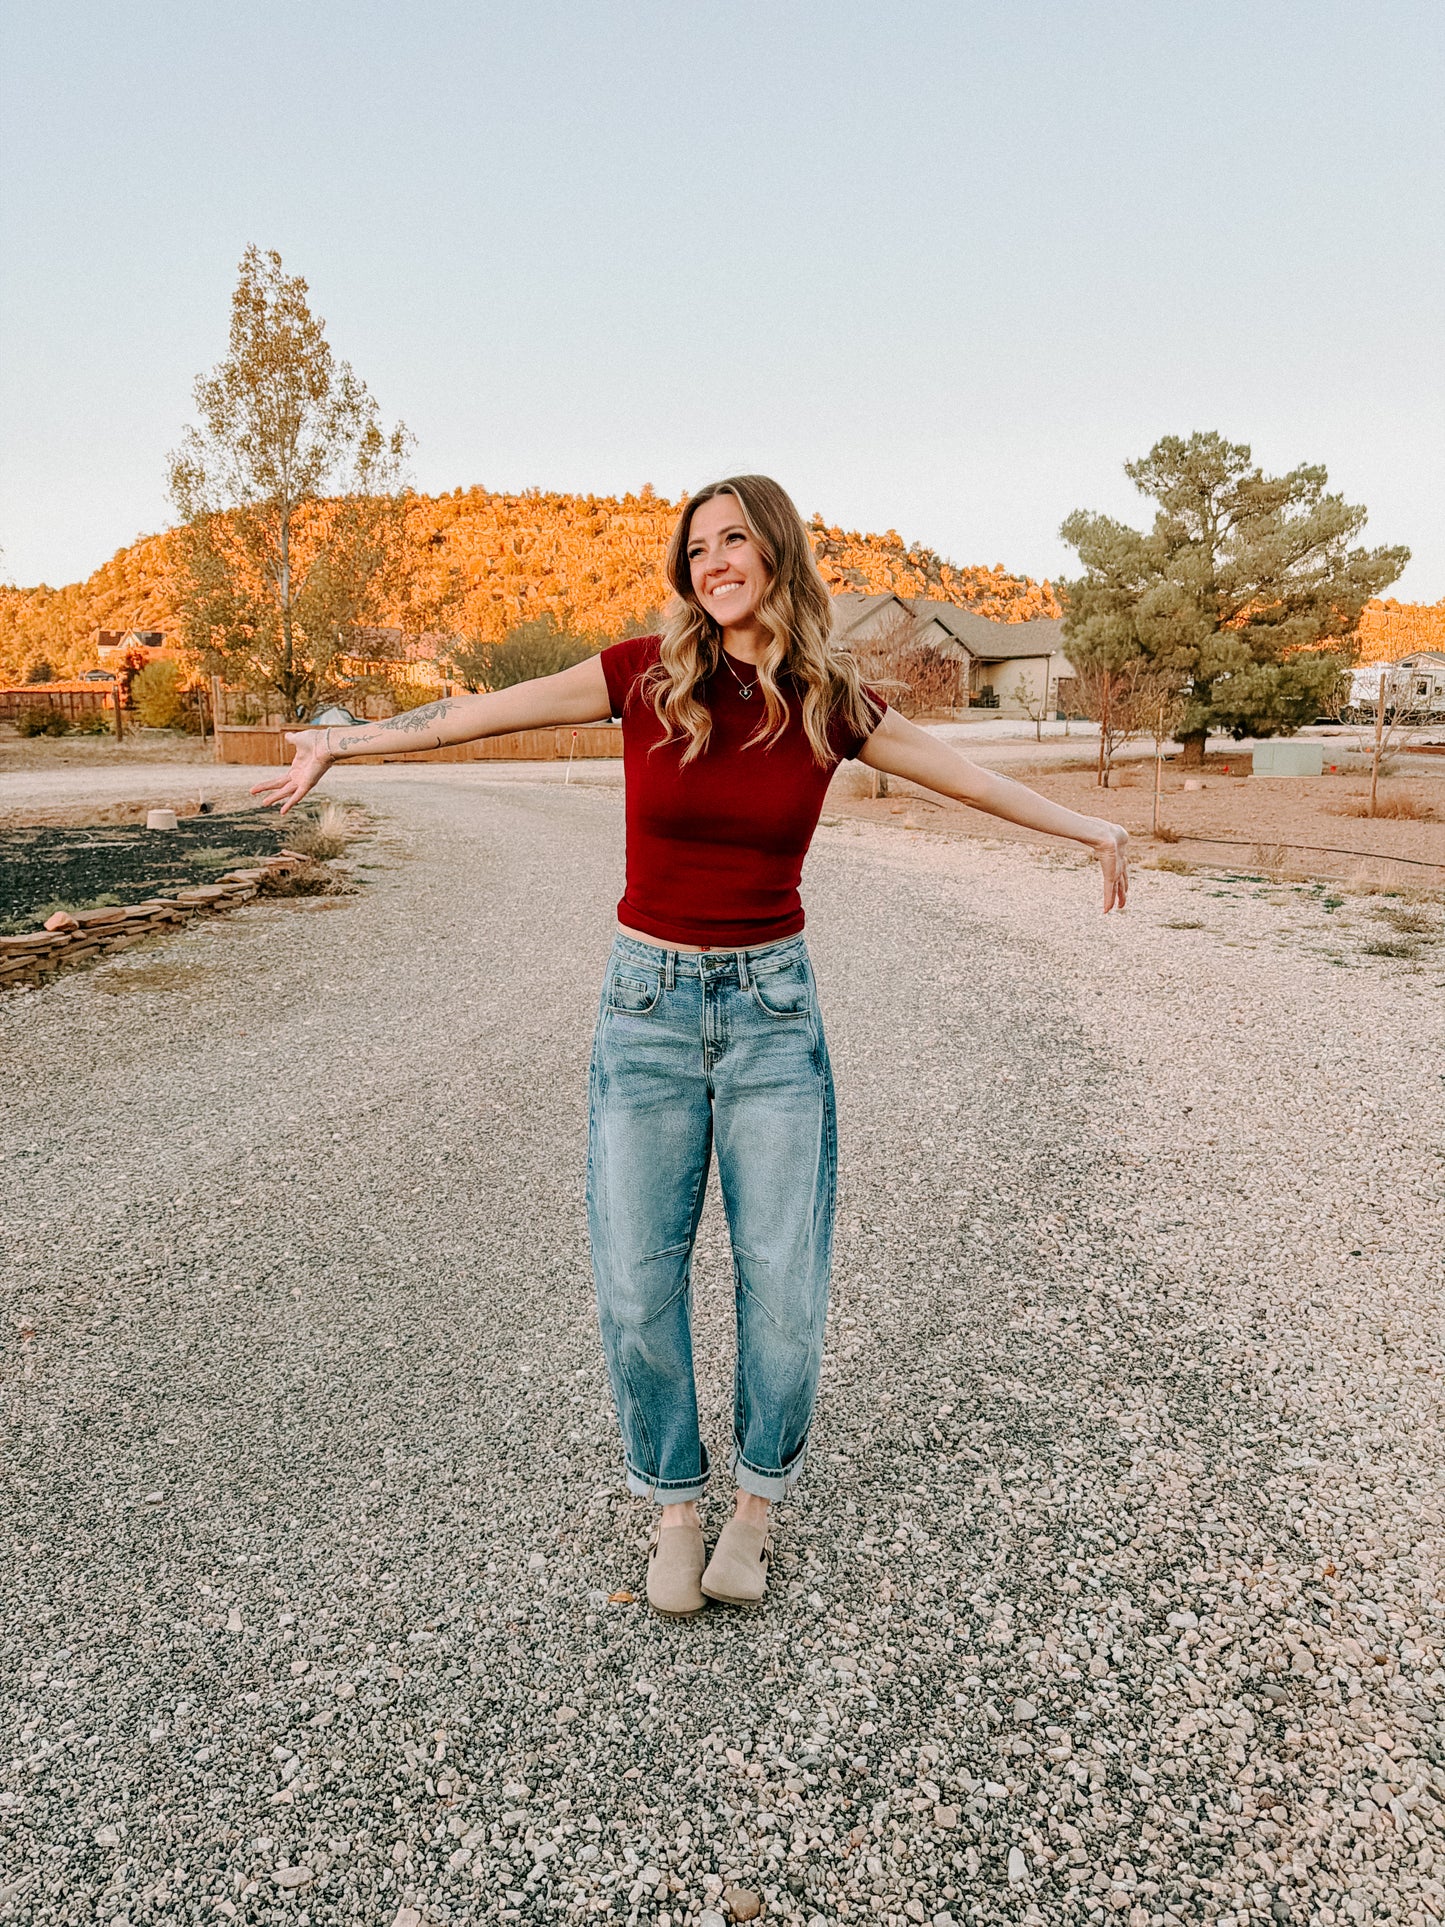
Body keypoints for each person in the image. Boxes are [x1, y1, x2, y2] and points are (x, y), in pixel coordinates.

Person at [255, 475, 1128, 1617]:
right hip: (645, 1006)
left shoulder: (829, 699)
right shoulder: (641, 676)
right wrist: (345, 742)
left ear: (776, 555)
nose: (713, 560)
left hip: (771, 1016)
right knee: (632, 1278)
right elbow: (479, 709)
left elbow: (964, 775)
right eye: (697, 545)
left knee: (781, 1283)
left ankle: (755, 1506)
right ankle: (674, 1503)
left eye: (734, 540)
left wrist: (1093, 825)